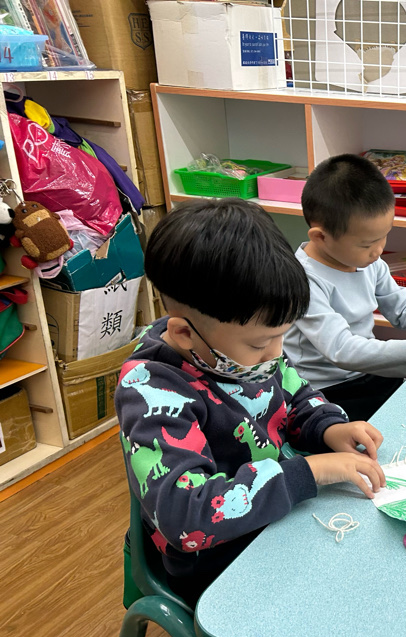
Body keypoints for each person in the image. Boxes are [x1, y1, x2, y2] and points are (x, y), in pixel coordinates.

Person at [116, 198, 386, 608]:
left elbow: (296, 393)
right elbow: (183, 515)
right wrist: (309, 472)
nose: (276, 354)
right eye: (262, 343)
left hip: (274, 519)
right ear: (185, 334)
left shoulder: (237, 346)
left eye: (282, 336)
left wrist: (330, 426)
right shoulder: (152, 391)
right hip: (215, 562)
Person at [283, 154, 406, 422]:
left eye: (384, 236)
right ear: (320, 237)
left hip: (368, 370)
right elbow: (341, 349)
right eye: (366, 244)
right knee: (394, 424)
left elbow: (400, 306)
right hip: (323, 391)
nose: (379, 250)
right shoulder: (302, 280)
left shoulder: (367, 261)